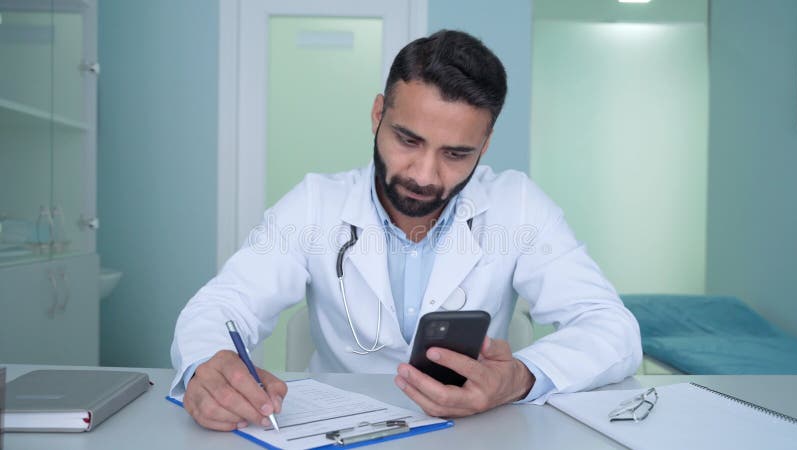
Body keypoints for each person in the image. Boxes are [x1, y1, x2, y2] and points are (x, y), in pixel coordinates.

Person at [170, 29, 642, 431]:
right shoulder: (317, 203)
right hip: (335, 434)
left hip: (470, 434)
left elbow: (612, 328)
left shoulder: (516, 205)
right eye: (407, 139)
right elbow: (223, 304)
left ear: (485, 143)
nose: (424, 175)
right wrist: (207, 367)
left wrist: (519, 377)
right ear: (378, 115)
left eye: (456, 153)